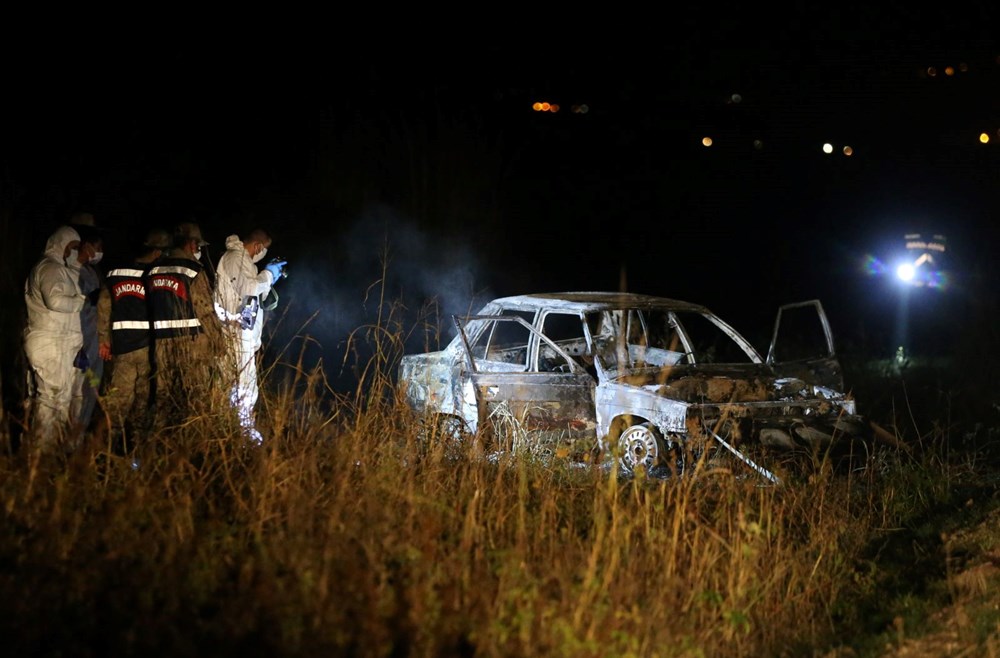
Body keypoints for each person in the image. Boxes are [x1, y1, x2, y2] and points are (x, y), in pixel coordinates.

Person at [97, 228, 170, 451]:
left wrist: (103, 340)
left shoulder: (114, 273)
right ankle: (138, 450)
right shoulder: (158, 275)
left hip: (122, 348)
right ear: (157, 252)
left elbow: (103, 308)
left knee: (117, 400)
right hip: (150, 349)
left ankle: (109, 450)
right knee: (143, 401)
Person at [146, 222, 224, 426]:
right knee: (194, 401)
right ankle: (190, 447)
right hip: (192, 345)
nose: (199, 251)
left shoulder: (154, 270)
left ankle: (157, 448)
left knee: (164, 399)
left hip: (161, 345)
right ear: (191, 244)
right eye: (199, 246)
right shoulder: (193, 270)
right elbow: (205, 310)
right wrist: (219, 343)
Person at [213, 229, 286, 443]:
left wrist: (270, 279)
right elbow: (249, 288)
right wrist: (269, 274)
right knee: (242, 386)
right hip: (235, 333)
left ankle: (235, 433)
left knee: (242, 385)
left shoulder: (246, 262)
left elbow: (254, 294)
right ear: (258, 247)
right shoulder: (235, 258)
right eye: (263, 250)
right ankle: (242, 436)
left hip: (243, 332)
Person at [23, 225, 88, 452]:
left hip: (59, 343)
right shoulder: (50, 268)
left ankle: (51, 454)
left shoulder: (59, 268)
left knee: (59, 400)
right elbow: (56, 302)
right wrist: (83, 301)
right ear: (60, 244)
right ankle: (39, 456)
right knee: (49, 400)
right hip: (49, 342)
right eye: (72, 247)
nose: (75, 252)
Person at [71, 227, 106, 432]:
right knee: (78, 391)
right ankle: (68, 439)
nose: (100, 252)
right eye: (98, 248)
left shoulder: (92, 272)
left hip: (94, 342)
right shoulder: (72, 271)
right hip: (81, 341)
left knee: (92, 388)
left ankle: (78, 437)